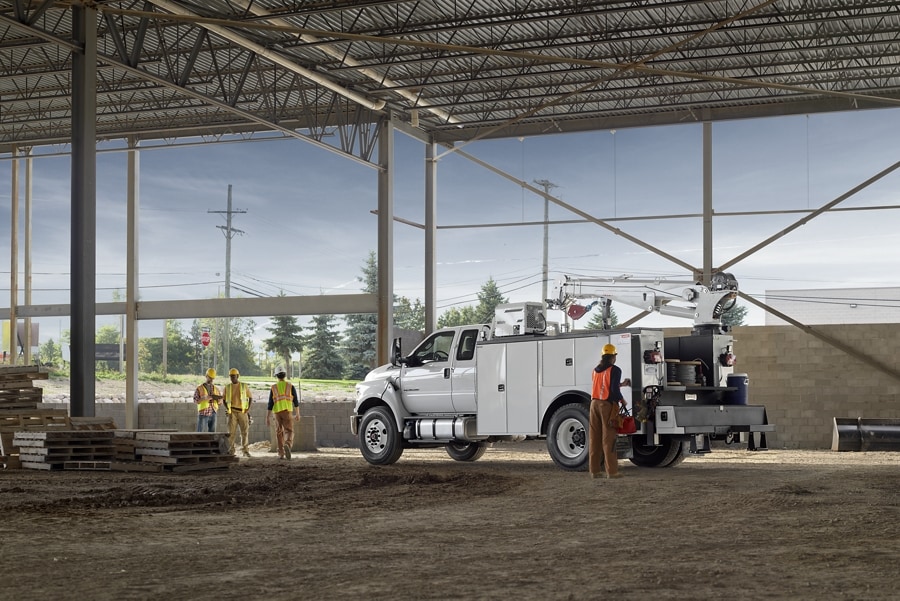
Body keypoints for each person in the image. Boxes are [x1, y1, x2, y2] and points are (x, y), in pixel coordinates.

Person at [589, 343, 631, 479]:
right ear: (613, 356)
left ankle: (594, 471)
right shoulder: (615, 370)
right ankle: (612, 472)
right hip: (606, 406)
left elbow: (604, 385)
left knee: (594, 438)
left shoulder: (595, 370)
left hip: (594, 404)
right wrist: (622, 400)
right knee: (609, 439)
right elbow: (613, 390)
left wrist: (621, 385)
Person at [266, 366, 300, 460]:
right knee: (289, 431)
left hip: (276, 412)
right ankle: (287, 445)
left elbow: (270, 403)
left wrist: (267, 417)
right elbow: (296, 401)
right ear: (285, 375)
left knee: (279, 432)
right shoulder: (290, 386)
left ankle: (281, 453)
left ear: (276, 376)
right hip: (287, 411)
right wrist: (297, 413)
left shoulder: (274, 387)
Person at [224, 368, 253, 458]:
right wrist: (227, 409)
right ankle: (231, 451)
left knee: (244, 432)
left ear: (237, 376)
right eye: (231, 376)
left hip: (242, 412)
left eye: (234, 376)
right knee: (231, 433)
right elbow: (224, 399)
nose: (232, 378)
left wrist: (248, 409)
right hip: (232, 412)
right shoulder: (227, 387)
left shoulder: (244, 386)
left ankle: (245, 451)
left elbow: (250, 397)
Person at [194, 368, 223, 432]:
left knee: (212, 434)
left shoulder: (216, 389)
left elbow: (220, 403)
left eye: (213, 378)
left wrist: (220, 401)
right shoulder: (199, 388)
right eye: (210, 378)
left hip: (213, 412)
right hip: (203, 413)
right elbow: (196, 401)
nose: (211, 380)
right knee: (200, 433)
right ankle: (199, 442)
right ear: (206, 376)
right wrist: (203, 398)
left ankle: (211, 442)